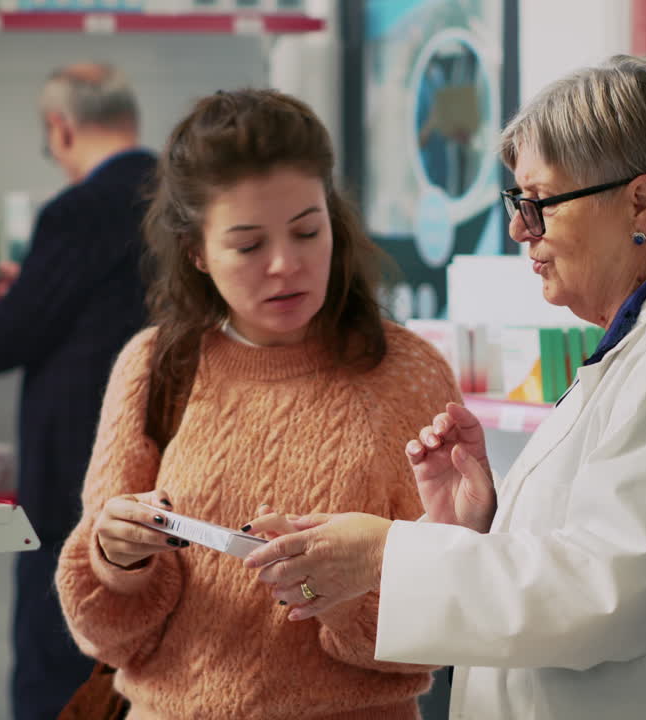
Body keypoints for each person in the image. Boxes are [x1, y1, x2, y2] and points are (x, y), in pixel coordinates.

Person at [243, 55, 646, 720]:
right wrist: (483, 523)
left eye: (539, 202)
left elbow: (607, 593)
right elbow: (594, 555)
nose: (520, 228)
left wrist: (386, 554)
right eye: (518, 203)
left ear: (640, 201)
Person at [52, 88, 463, 720]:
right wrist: (115, 559)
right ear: (196, 251)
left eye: (307, 230)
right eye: (247, 245)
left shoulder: (405, 374)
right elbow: (106, 635)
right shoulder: (155, 366)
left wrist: (335, 591)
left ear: (334, 219)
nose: (285, 265)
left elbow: (441, 615)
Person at [0, 62, 157, 720]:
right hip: (161, 485)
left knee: (56, 679)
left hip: (69, 498)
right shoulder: (182, 199)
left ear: (61, 128)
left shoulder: (75, 212)